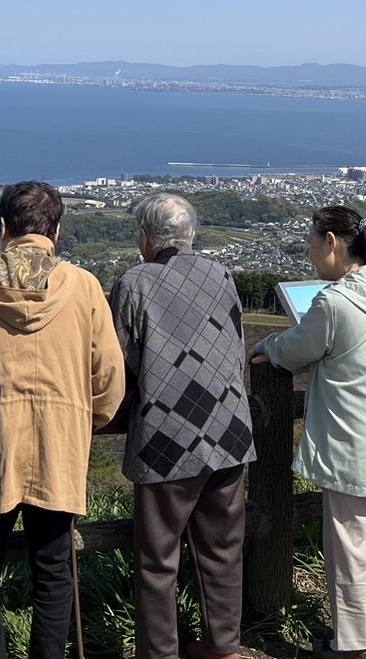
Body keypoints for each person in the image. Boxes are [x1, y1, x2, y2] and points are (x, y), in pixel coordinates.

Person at [0, 180, 126, 659]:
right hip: (59, 444)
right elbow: (109, 374)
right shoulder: (83, 285)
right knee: (53, 570)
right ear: (56, 230)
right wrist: (88, 420)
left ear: (4, 227)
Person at [252, 207, 366, 659]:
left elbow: (295, 349)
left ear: (332, 241)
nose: (309, 254)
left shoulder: (335, 302)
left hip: (353, 441)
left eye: (312, 243)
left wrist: (266, 345)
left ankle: (353, 643)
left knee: (349, 542)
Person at [108, 193, 256, 659]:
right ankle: (225, 647)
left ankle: (160, 654)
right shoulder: (221, 274)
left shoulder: (134, 283)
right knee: (223, 549)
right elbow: (234, 347)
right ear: (191, 234)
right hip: (230, 432)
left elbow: (121, 362)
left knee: (157, 561)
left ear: (145, 238)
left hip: (166, 439)